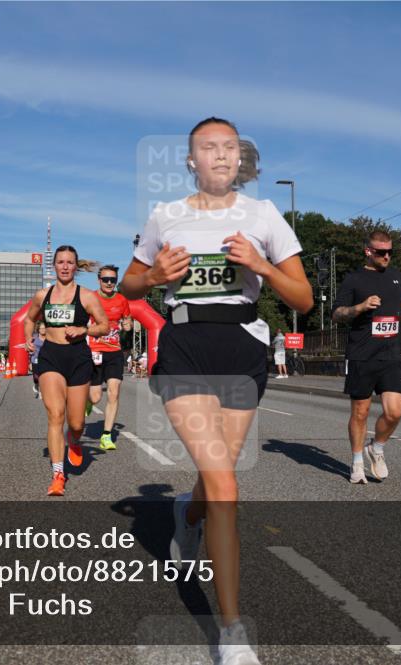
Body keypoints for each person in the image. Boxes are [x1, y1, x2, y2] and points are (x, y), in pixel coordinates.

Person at [119, 116, 312, 665]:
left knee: (216, 476)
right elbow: (132, 283)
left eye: (231, 147)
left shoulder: (264, 216)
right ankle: (232, 632)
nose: (222, 156)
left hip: (243, 349)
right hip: (184, 346)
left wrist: (262, 266)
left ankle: (186, 513)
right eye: (210, 148)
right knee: (226, 484)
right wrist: (154, 276)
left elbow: (303, 300)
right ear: (191, 161)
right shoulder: (166, 216)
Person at [330, 230, 401, 485]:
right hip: (362, 355)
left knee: (395, 412)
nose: (387, 257)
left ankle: (377, 448)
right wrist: (360, 307)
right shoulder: (354, 279)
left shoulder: (395, 276)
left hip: (391, 354)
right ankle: (357, 462)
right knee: (361, 412)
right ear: (368, 252)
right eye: (381, 252)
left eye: (390, 252)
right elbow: (336, 314)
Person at [24, 246, 109, 496]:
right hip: (51, 356)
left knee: (76, 422)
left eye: (69, 262)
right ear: (54, 265)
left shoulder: (87, 296)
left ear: (75, 266)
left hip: (78, 358)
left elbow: (104, 325)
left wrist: (84, 330)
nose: (64, 266)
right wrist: (29, 337)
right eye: (60, 262)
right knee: (55, 414)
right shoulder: (43, 294)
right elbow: (30, 318)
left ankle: (74, 440)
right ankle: (58, 475)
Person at [86, 264, 133, 451]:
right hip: (94, 351)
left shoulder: (122, 300)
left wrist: (127, 325)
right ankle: (89, 403)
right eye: (105, 279)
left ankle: (106, 435)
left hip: (114, 351)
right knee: (96, 397)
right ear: (99, 280)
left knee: (114, 392)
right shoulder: (91, 298)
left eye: (112, 280)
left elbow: (127, 322)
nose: (109, 283)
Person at [31, 322, 46, 399]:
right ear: (38, 329)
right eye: (41, 328)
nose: (43, 330)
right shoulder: (34, 338)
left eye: (44, 328)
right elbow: (29, 349)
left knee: (43, 377)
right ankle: (36, 384)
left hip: (46, 360)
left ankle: (41, 392)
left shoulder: (49, 338)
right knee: (36, 378)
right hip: (35, 359)